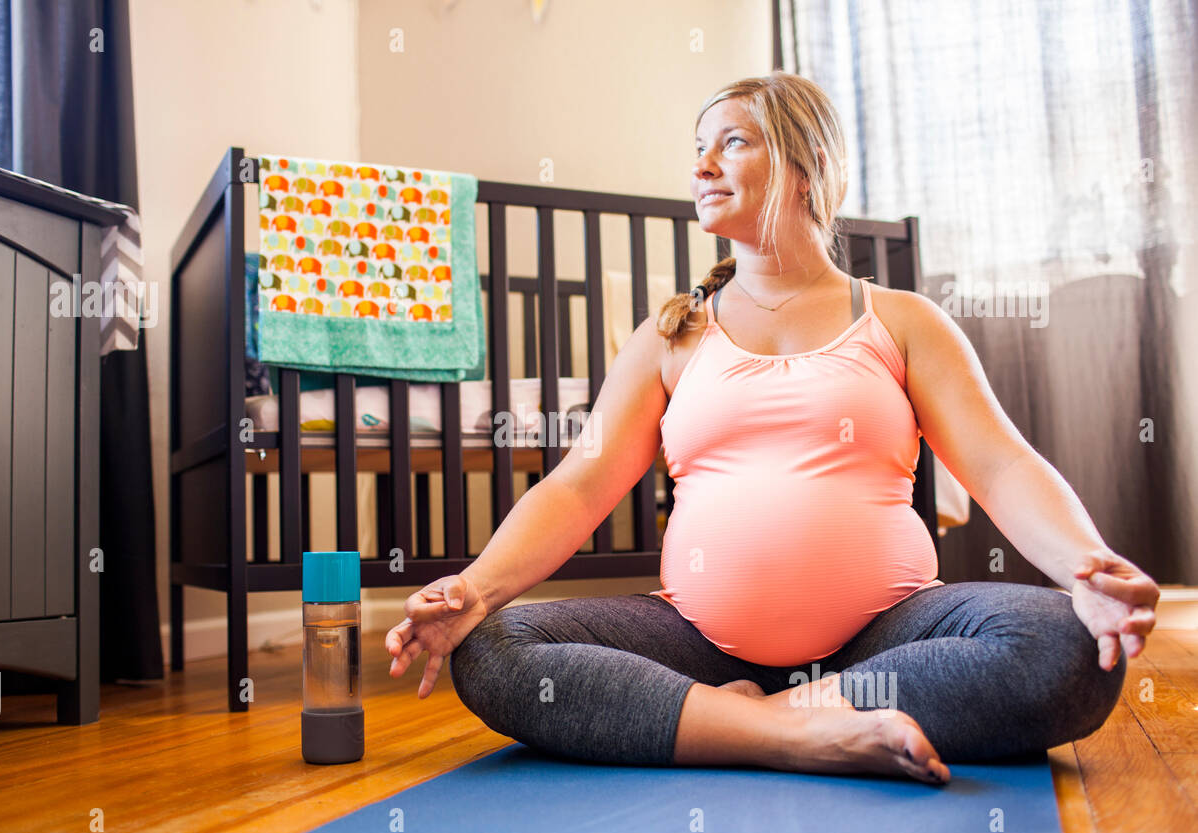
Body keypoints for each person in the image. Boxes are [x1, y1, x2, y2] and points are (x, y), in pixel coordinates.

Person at [384, 73, 1159, 785]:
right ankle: (798, 734)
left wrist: (1087, 570)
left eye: (732, 141)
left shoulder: (902, 321)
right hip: (698, 644)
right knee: (493, 649)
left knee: (1066, 649)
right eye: (697, 148)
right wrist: (474, 588)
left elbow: (1001, 466)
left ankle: (755, 722)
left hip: (887, 640)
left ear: (806, 162)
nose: (703, 164)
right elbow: (581, 484)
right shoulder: (670, 337)